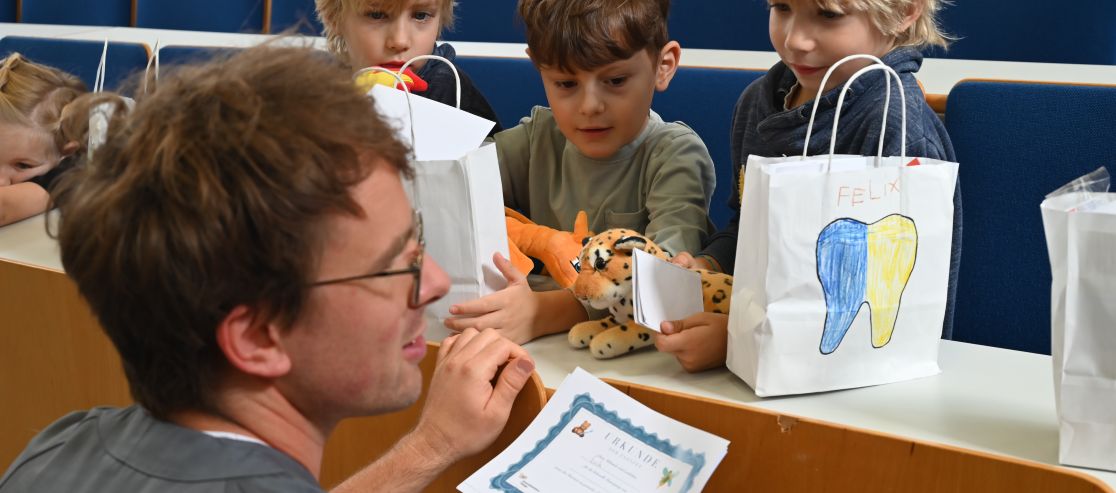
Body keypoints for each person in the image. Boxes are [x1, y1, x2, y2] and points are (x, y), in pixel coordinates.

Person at [0, 46, 534, 492]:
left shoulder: (58, 445)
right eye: (395, 267)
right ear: (256, 336)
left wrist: (431, 447)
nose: (436, 283)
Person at [658, 0, 960, 372]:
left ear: (903, 12)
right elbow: (749, 230)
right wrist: (710, 261)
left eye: (828, 15)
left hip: (849, 382)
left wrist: (739, 339)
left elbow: (894, 319)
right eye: (781, 7)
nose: (794, 39)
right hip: (757, 368)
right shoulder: (758, 102)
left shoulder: (898, 130)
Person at [443, 0, 717, 345]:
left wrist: (542, 313)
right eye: (566, 84)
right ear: (538, 68)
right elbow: (448, 192)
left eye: (615, 80)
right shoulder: (535, 139)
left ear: (663, 66)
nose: (589, 106)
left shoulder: (674, 154)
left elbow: (665, 280)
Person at [316, 0, 504, 135]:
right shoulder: (317, 86)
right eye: (376, 15)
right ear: (334, 18)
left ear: (439, 22)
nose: (399, 41)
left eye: (421, 16)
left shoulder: (447, 91)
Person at [0, 53, 128, 226]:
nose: (2, 181)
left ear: (67, 152)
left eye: (23, 165)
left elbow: (4, 208)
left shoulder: (67, 174)